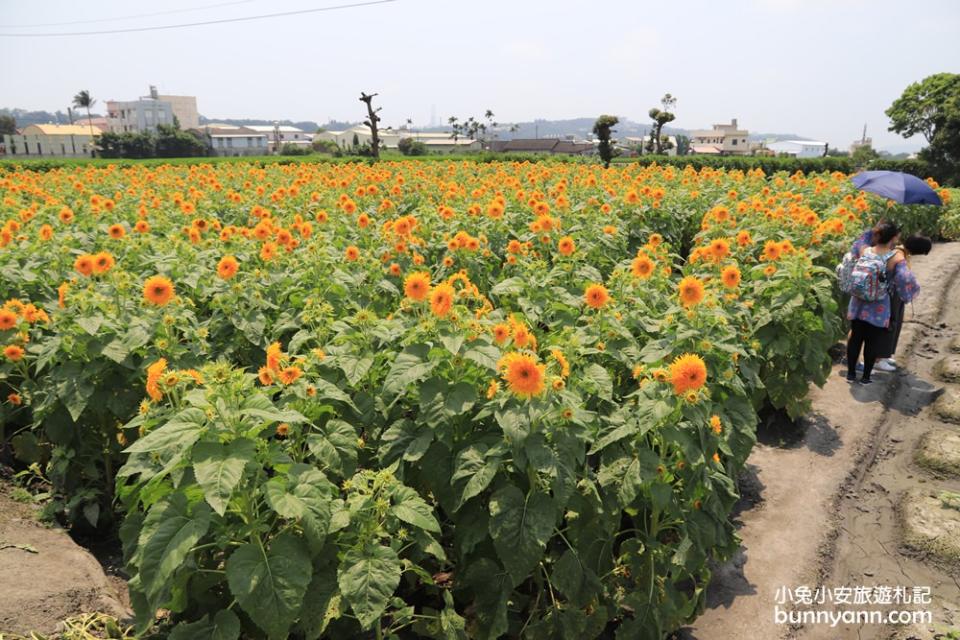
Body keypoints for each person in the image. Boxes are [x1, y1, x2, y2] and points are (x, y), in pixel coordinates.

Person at [845, 222, 921, 384]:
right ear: (894, 238)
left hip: (857, 303)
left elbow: (859, 241)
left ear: (877, 235)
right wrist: (909, 294)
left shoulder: (865, 250)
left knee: (855, 338)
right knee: (872, 341)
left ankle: (851, 374)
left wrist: (872, 229)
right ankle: (866, 377)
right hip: (877, 306)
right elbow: (905, 279)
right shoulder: (895, 257)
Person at [874, 234, 932, 371]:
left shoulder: (900, 252)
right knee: (889, 323)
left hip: (895, 294)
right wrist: (912, 291)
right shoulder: (899, 254)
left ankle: (885, 355)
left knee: (896, 323)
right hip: (891, 294)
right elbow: (903, 278)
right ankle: (878, 359)